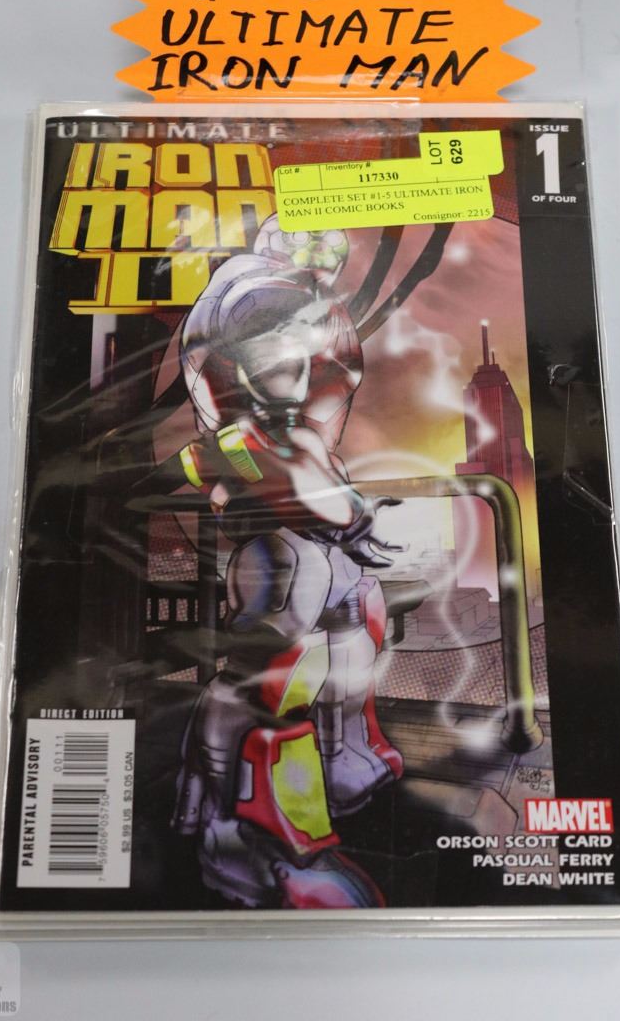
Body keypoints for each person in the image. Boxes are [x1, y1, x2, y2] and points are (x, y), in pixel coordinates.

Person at [171, 216, 403, 908]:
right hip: (281, 547)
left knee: (357, 626)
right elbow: (276, 477)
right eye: (273, 348)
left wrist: (348, 515)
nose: (291, 358)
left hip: (322, 545)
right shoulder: (243, 401)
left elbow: (318, 470)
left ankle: (342, 760)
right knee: (276, 679)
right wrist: (345, 513)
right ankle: (251, 837)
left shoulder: (304, 392)